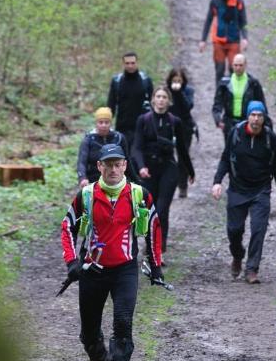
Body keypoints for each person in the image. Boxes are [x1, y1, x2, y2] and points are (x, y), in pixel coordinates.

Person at [60, 143, 165, 361]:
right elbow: (67, 227)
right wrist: (71, 261)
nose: (113, 170)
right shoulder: (86, 195)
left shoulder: (140, 194)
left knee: (123, 323)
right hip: (92, 271)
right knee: (88, 333)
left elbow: (154, 228)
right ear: (99, 166)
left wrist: (156, 265)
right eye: (108, 165)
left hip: (125, 270)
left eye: (118, 165)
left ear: (125, 166)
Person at [211, 101, 276, 284]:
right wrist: (217, 181)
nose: (256, 118)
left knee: (258, 229)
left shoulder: (270, 138)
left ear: (264, 118)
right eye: (253, 115)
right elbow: (225, 159)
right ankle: (238, 255)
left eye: (259, 115)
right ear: (247, 116)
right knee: (234, 230)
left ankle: (252, 269)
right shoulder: (236, 133)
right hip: (237, 189)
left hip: (261, 190)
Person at [132, 86, 195, 255]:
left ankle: (158, 248)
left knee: (162, 210)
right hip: (148, 170)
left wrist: (190, 170)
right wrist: (141, 166)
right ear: (153, 99)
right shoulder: (143, 120)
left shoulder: (175, 122)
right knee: (147, 209)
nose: (161, 100)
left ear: (169, 101)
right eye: (158, 96)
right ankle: (149, 242)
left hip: (168, 168)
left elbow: (182, 149)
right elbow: (136, 147)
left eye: (164, 97)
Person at [199, 0, 248, 86]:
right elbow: (208, 20)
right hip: (218, 40)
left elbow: (243, 21)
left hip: (234, 40)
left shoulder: (238, 2)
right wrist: (203, 40)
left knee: (234, 69)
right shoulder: (215, 2)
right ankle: (219, 93)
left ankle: (233, 91)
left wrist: (245, 37)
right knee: (219, 70)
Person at [212, 53, 267, 143]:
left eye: (240, 65)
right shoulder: (224, 83)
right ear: (232, 65)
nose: (238, 68)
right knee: (230, 148)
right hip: (229, 121)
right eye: (235, 65)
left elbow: (261, 104)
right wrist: (217, 118)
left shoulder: (253, 83)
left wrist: (265, 123)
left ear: (245, 65)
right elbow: (217, 103)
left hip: (248, 121)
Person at [106, 52, 154, 153]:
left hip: (142, 126)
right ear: (123, 64)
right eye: (127, 63)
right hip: (122, 126)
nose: (130, 66)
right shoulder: (117, 81)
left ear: (137, 63)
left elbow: (153, 104)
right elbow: (111, 104)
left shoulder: (145, 80)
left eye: (133, 63)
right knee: (123, 157)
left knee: (140, 158)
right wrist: (106, 123)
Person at [77, 107, 136, 188]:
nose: (103, 125)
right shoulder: (89, 140)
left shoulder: (119, 138)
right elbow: (82, 162)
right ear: (96, 123)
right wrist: (82, 178)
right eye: (100, 122)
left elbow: (127, 160)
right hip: (94, 180)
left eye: (106, 122)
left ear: (110, 123)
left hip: (116, 180)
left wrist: (135, 179)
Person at [166, 67, 197, 198]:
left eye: (179, 80)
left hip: (185, 127)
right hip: (168, 126)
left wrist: (179, 93)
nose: (177, 83)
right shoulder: (165, 92)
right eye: (174, 80)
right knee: (167, 157)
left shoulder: (188, 91)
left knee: (182, 157)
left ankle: (182, 185)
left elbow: (188, 107)